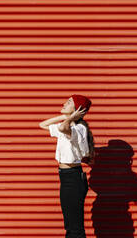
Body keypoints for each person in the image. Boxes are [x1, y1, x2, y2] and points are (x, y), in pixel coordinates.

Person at [39, 95, 95, 238]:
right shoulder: (70, 125)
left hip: (73, 178)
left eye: (69, 102)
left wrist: (70, 118)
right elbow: (43, 125)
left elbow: (64, 128)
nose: (64, 103)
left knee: (74, 227)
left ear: (78, 109)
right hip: (66, 178)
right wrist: (65, 115)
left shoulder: (79, 128)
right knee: (70, 224)